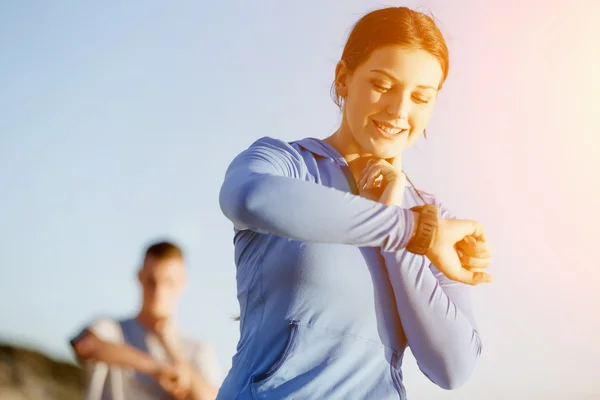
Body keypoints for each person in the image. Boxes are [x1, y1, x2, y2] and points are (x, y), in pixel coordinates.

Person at [216, 6, 493, 400]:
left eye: (419, 96)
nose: (399, 110)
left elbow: (452, 367)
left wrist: (405, 238)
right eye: (382, 84)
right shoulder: (287, 164)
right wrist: (408, 231)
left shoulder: (432, 218)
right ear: (343, 78)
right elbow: (249, 198)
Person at [70, 241, 222, 400]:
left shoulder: (199, 350)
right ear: (140, 277)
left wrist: (172, 349)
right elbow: (85, 345)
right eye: (152, 281)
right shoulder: (113, 329)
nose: (159, 291)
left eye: (169, 282)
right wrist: (157, 369)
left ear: (183, 283)